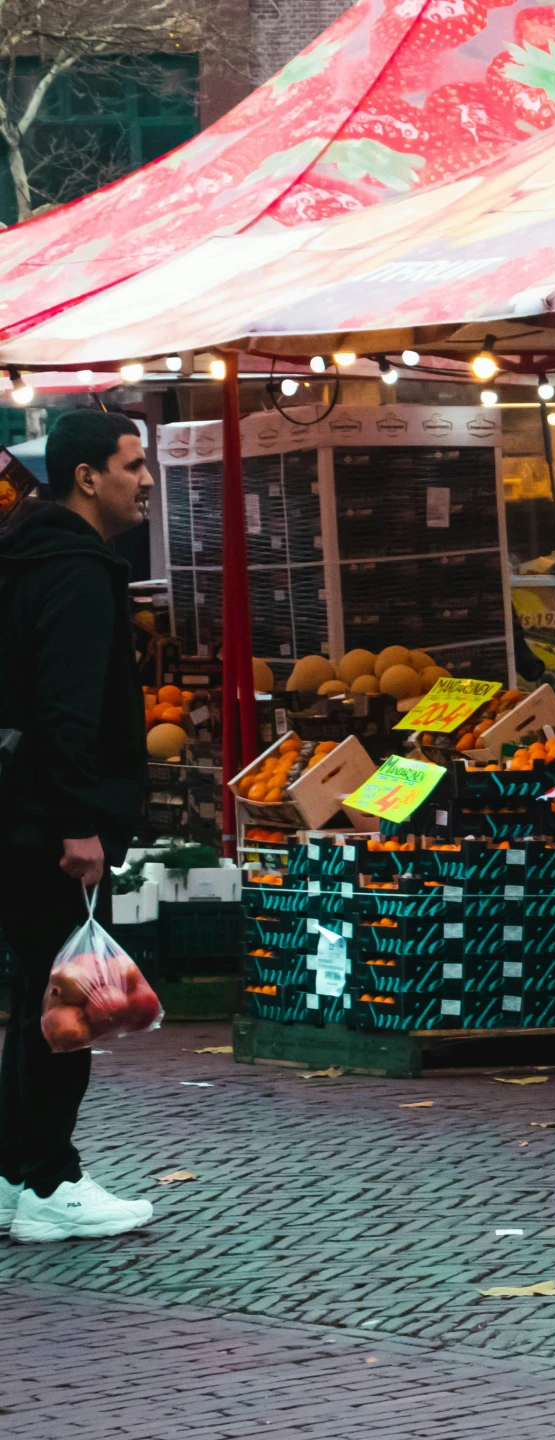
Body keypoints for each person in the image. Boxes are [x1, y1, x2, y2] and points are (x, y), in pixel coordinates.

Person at [0, 409, 154, 1243]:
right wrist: (79, 824)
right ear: (87, 476)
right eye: (132, 464)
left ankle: (11, 1172)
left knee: (36, 995)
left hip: (16, 813)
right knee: (68, 1005)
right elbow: (66, 709)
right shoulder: (77, 570)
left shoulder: (25, 556)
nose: (146, 479)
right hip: (48, 827)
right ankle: (52, 1184)